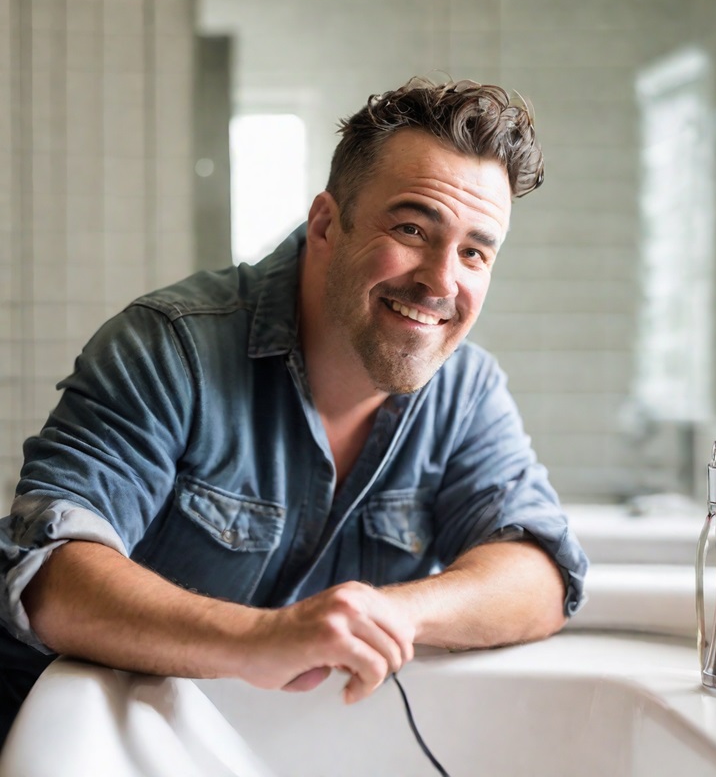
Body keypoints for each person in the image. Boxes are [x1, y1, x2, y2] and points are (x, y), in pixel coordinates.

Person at [0, 77, 588, 748]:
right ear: (325, 225)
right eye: (411, 228)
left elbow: (538, 573)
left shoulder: (467, 392)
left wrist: (378, 614)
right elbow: (49, 571)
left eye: (474, 252)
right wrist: (263, 638)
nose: (441, 280)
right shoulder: (170, 347)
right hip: (67, 741)